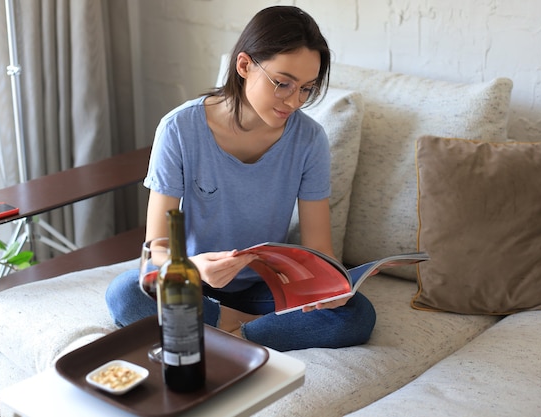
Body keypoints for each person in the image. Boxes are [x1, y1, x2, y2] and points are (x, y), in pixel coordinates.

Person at [105, 5, 376, 351]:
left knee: (356, 315)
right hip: (193, 280)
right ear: (245, 65)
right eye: (282, 84)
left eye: (306, 89)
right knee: (127, 294)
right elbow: (156, 248)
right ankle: (242, 329)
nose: (294, 101)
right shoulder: (180, 129)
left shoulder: (309, 140)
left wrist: (334, 288)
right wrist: (193, 266)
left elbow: (320, 249)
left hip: (265, 287)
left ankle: (230, 333)